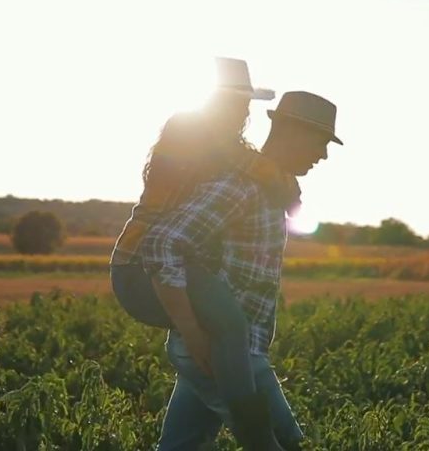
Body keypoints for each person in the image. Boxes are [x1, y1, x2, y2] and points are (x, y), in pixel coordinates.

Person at [110, 58, 298, 449]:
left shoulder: (227, 148)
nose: (245, 111)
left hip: (178, 263)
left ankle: (256, 428)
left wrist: (284, 187)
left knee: (187, 431)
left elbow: (267, 177)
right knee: (229, 324)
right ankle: (257, 434)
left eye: (247, 103)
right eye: (238, 102)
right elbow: (164, 241)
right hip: (138, 264)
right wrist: (193, 335)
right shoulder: (194, 136)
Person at [140, 91, 342, 450]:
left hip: (223, 348)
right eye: (321, 142)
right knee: (283, 442)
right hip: (224, 352)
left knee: (181, 445)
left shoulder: (267, 188)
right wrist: (192, 330)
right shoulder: (242, 186)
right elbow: (161, 243)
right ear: (291, 130)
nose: (324, 156)